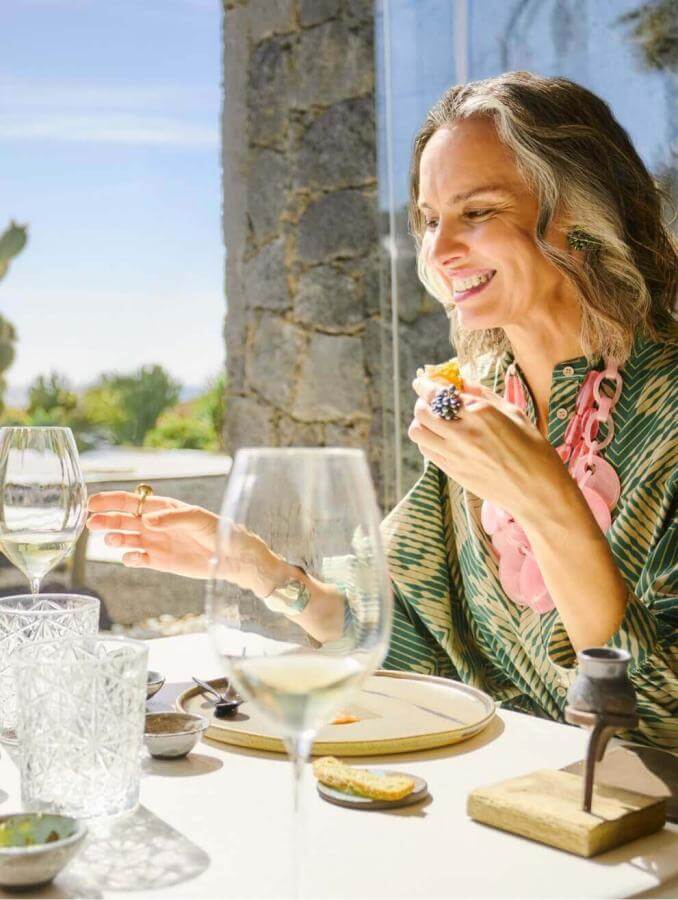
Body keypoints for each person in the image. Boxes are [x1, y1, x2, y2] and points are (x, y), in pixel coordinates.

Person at [87, 72, 676, 750]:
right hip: (487, 801)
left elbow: (660, 729)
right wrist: (261, 570)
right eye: (430, 220)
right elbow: (399, 642)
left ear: (579, 210)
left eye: (477, 212)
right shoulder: (479, 404)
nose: (440, 249)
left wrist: (548, 504)